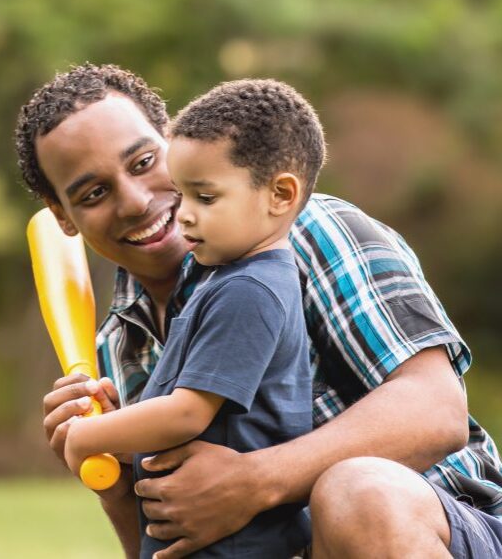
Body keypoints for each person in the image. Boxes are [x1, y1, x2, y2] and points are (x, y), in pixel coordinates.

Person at [16, 64, 502, 559]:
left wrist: (255, 481)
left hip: (450, 531)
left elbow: (434, 409)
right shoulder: (119, 350)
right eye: (92, 194)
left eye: (143, 161)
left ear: (174, 143)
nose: (135, 199)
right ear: (62, 218)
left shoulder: (303, 235)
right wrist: (115, 486)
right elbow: (175, 544)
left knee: (358, 492)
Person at [63, 79, 323, 558]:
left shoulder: (251, 289)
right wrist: (122, 432)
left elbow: (187, 413)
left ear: (280, 195)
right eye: (181, 195)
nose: (181, 216)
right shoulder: (222, 280)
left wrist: (87, 436)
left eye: (205, 198)